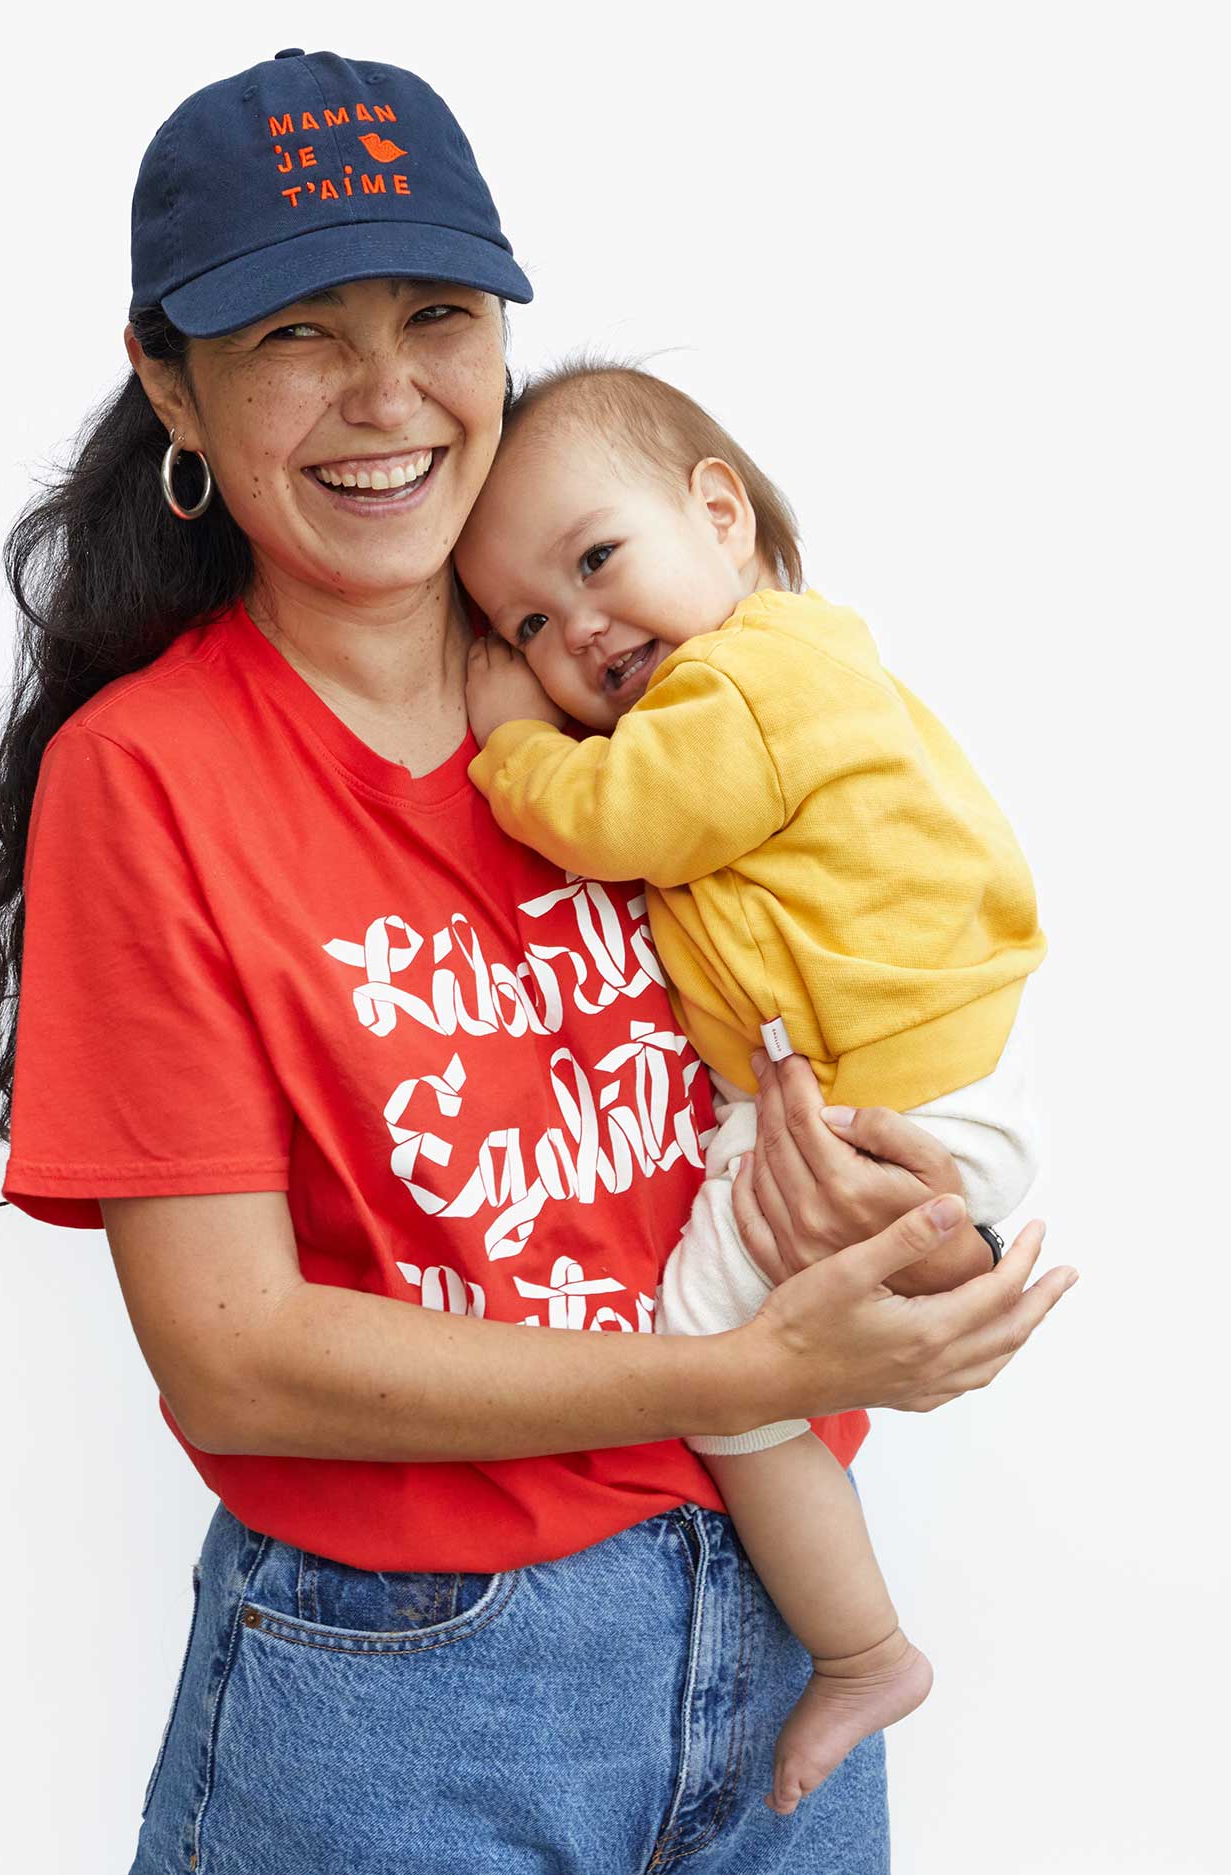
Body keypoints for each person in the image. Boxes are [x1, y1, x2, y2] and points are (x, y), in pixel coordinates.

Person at [0, 49, 1075, 1875]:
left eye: (437, 314)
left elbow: (830, 1017)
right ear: (172, 382)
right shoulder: (150, 781)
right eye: (298, 331)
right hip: (407, 1703)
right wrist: (727, 1369)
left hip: (777, 1641)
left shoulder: (627, 669)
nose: (387, 395)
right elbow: (234, 1358)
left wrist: (907, 1237)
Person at [458, 361, 1047, 1813]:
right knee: (772, 1332)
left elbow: (621, 820)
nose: (577, 626)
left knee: (718, 1356)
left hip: (888, 1107)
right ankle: (857, 1639)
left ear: (720, 515)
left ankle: (859, 1647)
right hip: (890, 1102)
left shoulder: (756, 678)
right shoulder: (755, 681)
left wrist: (512, 742)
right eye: (527, 623)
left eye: (595, 561)